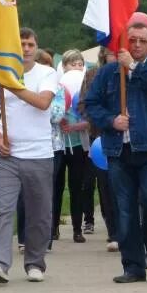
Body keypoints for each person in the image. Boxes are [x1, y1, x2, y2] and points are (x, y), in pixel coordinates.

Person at [85, 22, 147, 284]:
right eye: (132, 40)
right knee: (124, 210)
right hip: (118, 149)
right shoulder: (108, 73)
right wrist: (111, 120)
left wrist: (133, 67)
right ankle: (133, 266)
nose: (136, 45)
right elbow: (91, 103)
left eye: (142, 41)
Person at [0, 28, 57, 284]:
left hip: (39, 153)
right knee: (3, 209)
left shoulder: (46, 73)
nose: (25, 48)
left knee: (39, 212)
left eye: (30, 44)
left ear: (36, 47)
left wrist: (13, 86)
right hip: (8, 155)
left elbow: (43, 102)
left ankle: (35, 262)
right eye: (21, 43)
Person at [79, 46, 118, 250]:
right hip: (101, 137)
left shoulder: (131, 71)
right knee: (105, 187)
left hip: (128, 136)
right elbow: (83, 104)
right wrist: (102, 118)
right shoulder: (93, 74)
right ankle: (113, 231)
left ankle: (127, 229)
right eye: (112, 51)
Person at [52, 49, 90, 243]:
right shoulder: (56, 86)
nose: (76, 67)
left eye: (79, 63)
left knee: (77, 187)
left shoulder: (87, 87)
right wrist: (59, 119)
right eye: (72, 63)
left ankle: (77, 229)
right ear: (63, 66)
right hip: (58, 144)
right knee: (56, 186)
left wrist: (74, 125)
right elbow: (51, 111)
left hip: (77, 143)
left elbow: (91, 118)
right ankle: (53, 227)